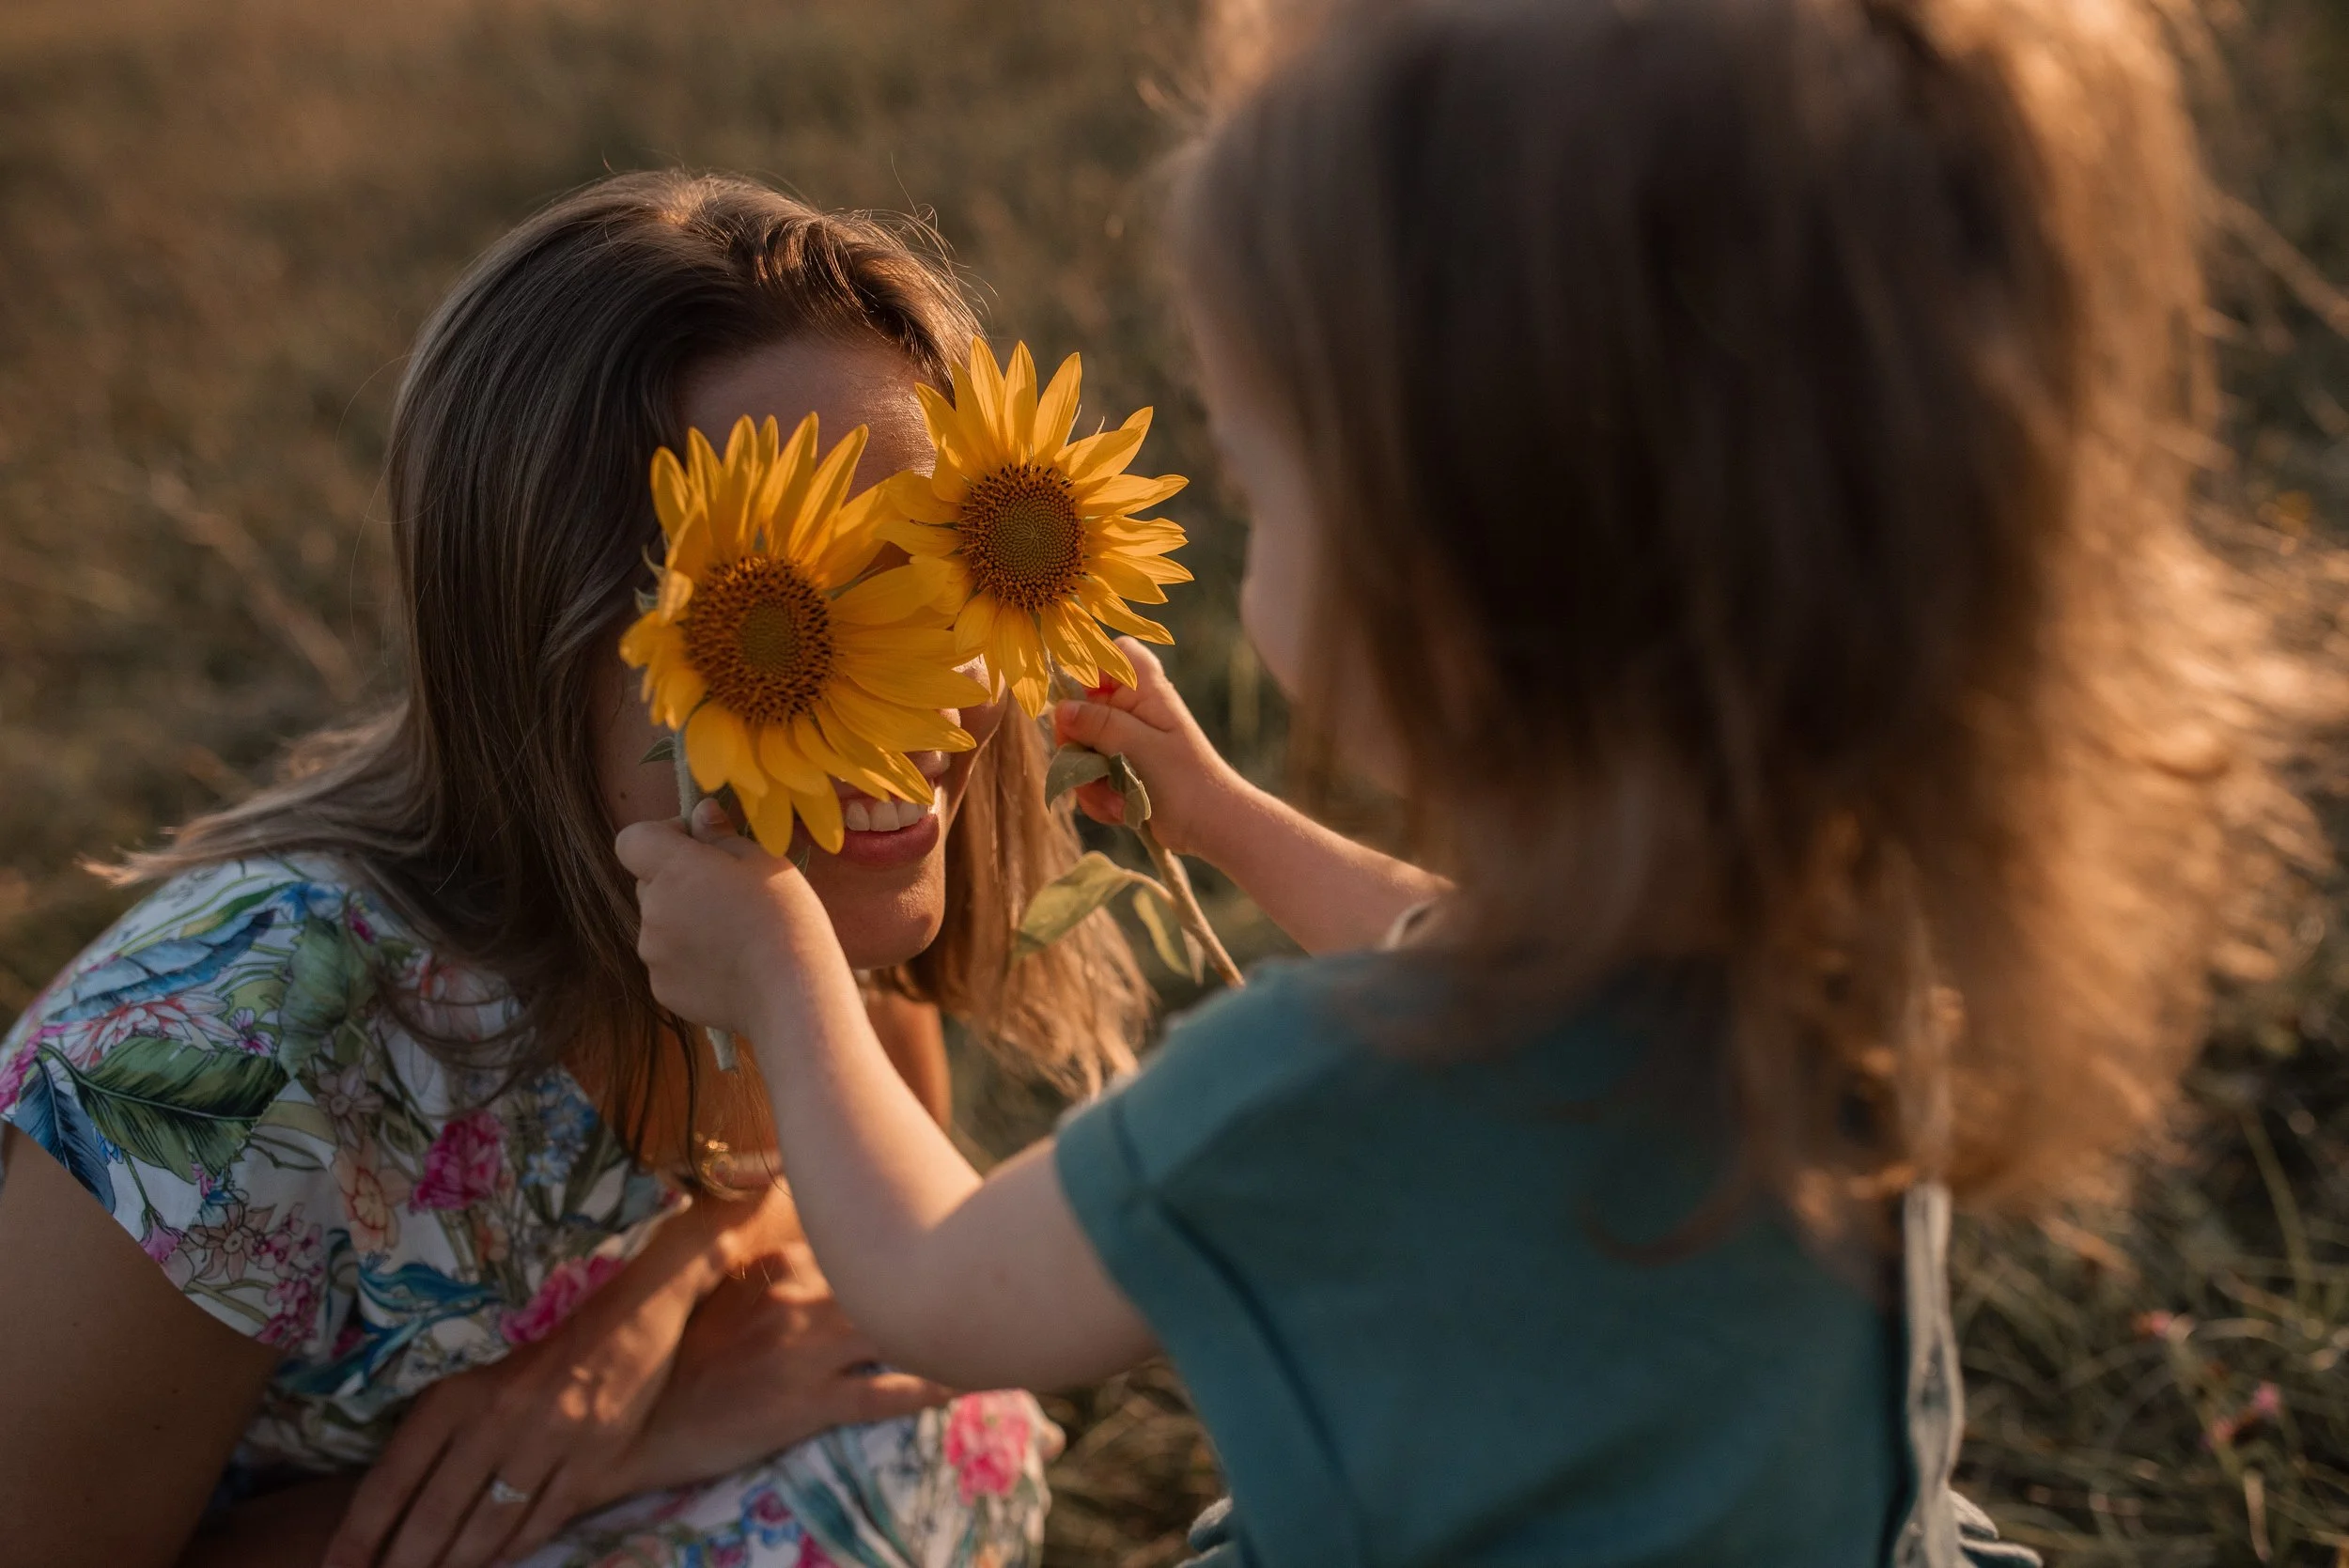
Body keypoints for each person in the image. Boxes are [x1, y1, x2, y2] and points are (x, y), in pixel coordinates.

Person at [616, 0, 2320, 1562]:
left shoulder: (1307, 1099)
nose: (1243, 539)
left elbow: (937, 1291)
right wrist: (1217, 813)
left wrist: (776, 965)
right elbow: (1471, 944)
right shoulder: (1837, 934)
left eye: (1267, 488)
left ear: (1452, 583)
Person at [0, 171, 1145, 1568]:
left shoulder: (783, 896)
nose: (936, 693)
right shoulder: (219, 1070)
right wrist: (649, 1440)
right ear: (536, 639)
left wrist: (659, 1303)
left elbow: (872, 1168)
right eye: (804, 608)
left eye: (936, 569)